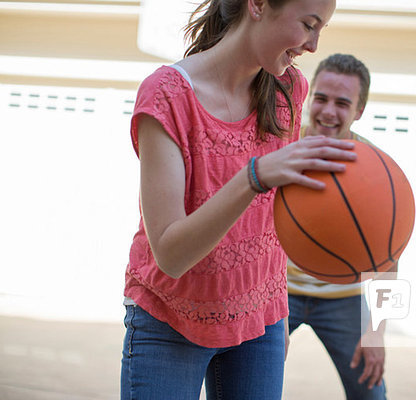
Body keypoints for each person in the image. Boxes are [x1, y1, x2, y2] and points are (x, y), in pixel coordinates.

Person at [119, 1, 356, 399]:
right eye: (308, 25)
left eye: (322, 30)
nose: (314, 45)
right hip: (169, 322)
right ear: (258, 5)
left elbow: (272, 221)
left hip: (258, 327)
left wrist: (276, 310)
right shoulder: (168, 95)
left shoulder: (289, 88)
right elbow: (171, 255)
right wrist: (253, 177)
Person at [287, 53, 394, 400]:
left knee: (372, 393)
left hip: (343, 296)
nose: (328, 111)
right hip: (275, 291)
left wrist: (377, 331)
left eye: (342, 103)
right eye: (321, 98)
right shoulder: (281, 150)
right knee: (247, 383)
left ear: (359, 110)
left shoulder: (376, 170)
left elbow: (391, 259)